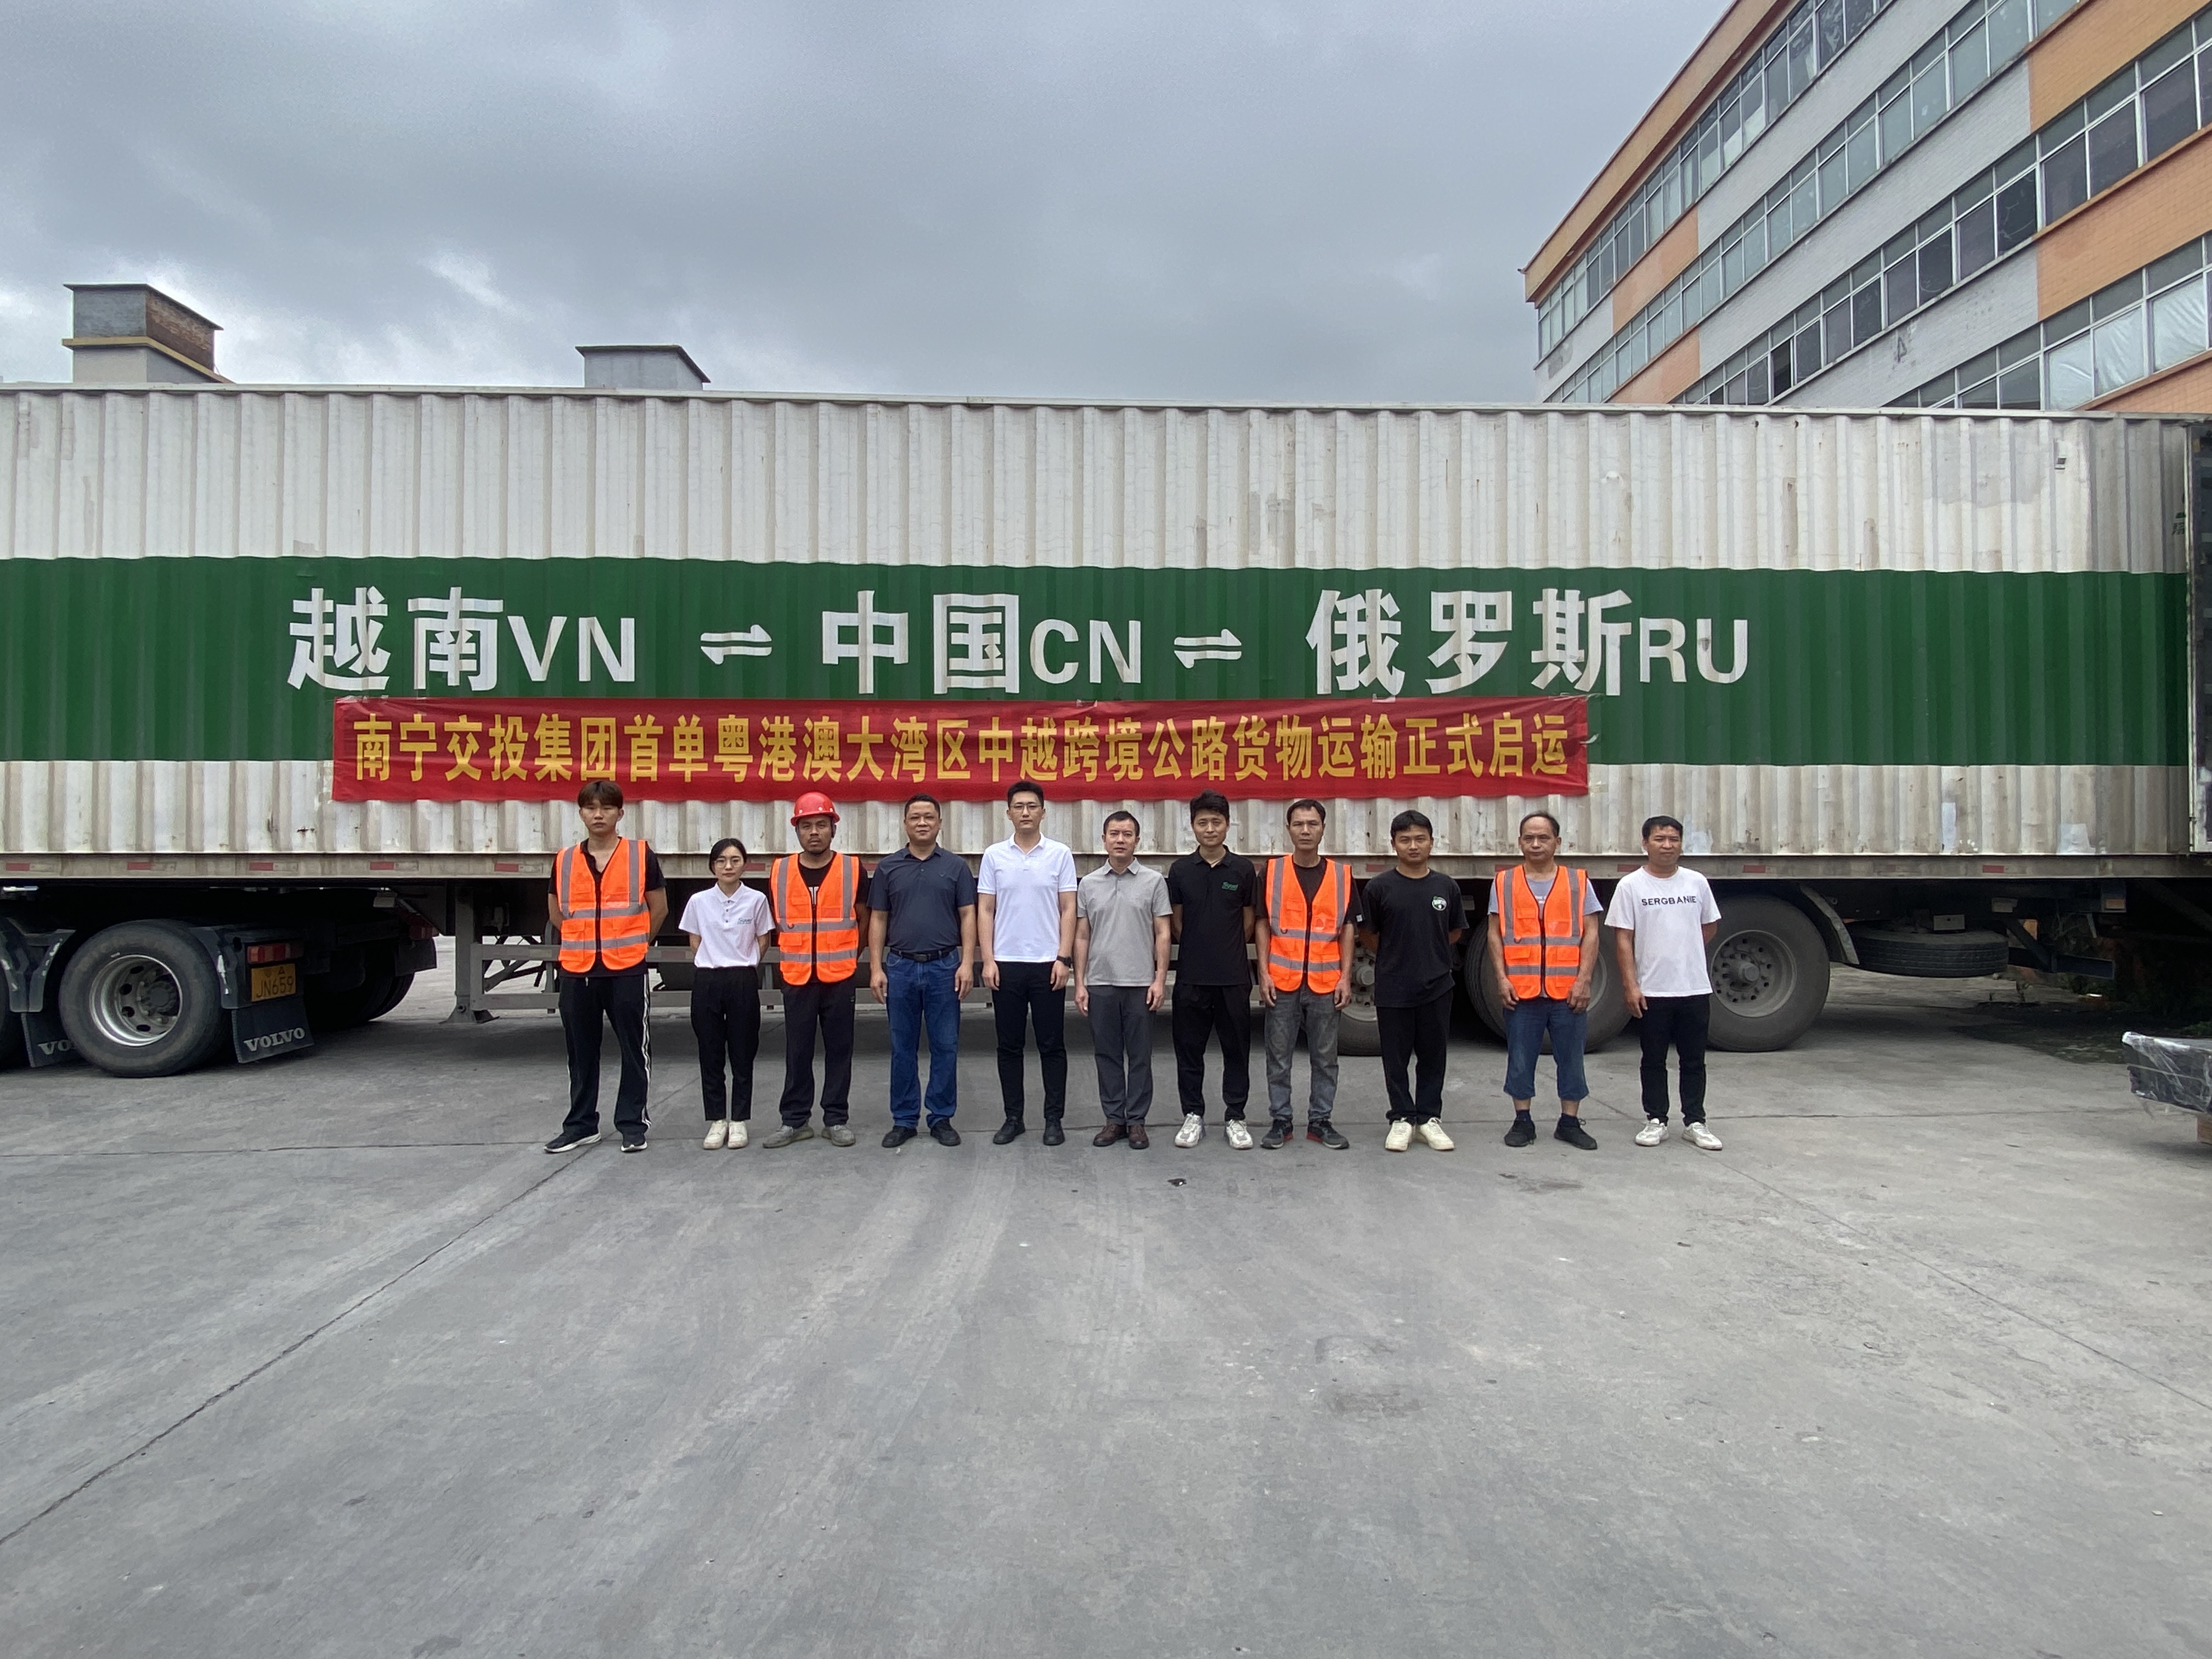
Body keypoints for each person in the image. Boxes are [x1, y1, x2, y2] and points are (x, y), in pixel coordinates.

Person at [543, 780, 668, 1154]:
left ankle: (632, 1123)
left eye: (607, 808)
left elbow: (659, 908)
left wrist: (636, 944)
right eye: (591, 808)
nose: (599, 815)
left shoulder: (640, 855)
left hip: (626, 969)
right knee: (580, 1052)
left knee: (634, 1050)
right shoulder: (565, 859)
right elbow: (556, 912)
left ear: (620, 813)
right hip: (578, 970)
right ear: (581, 813)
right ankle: (581, 1125)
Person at [1609, 815, 1725, 1151]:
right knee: (1653, 1059)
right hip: (1652, 990)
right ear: (1645, 844)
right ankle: (1656, 1119)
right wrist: (1631, 985)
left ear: (1681, 844)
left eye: (1673, 839)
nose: (1667, 846)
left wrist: (1683, 951)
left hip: (1694, 988)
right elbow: (1623, 939)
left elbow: (1709, 926)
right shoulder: (1631, 886)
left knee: (1694, 1060)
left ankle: (1695, 1121)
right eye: (1659, 839)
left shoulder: (1696, 882)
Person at [1356, 809, 1468, 1153]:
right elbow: (1369, 934)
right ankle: (1402, 1118)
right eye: (1405, 840)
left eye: (1420, 839)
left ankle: (1429, 1118)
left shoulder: (1446, 886)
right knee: (1396, 1058)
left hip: (1437, 985)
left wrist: (1429, 953)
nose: (1413, 846)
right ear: (1394, 845)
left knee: (1433, 1056)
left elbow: (1454, 931)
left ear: (1432, 843)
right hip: (1393, 986)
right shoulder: (1379, 888)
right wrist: (1396, 955)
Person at [1489, 811, 1602, 1151]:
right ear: (1520, 843)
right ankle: (1522, 1121)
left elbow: (1591, 933)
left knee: (1571, 1059)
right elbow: (1495, 934)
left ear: (1558, 842)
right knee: (1520, 1058)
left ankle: (1569, 1122)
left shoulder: (1577, 881)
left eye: (1543, 838)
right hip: (1522, 992)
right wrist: (1501, 979)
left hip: (1567, 992)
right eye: (1529, 838)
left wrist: (1584, 981)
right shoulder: (1504, 882)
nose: (1536, 844)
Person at [870, 793, 977, 1148]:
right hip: (900, 967)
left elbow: (968, 915)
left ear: (940, 823)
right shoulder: (888, 868)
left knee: (946, 1045)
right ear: (905, 823)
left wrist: (966, 963)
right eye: (915, 817)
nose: (922, 823)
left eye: (929, 817)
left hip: (944, 967)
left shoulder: (956, 867)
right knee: (902, 1047)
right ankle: (904, 1120)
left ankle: (941, 1117)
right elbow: (878, 919)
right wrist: (876, 968)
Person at [764, 792, 870, 1149]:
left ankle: (836, 1119)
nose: (814, 832)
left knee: (840, 1050)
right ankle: (795, 1121)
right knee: (797, 1051)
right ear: (796, 830)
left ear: (833, 829)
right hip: (797, 977)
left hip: (839, 976)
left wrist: (851, 954)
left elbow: (864, 917)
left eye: (821, 825)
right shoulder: (780, 871)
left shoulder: (852, 869)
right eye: (806, 825)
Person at [979, 780, 1079, 1147]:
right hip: (1006, 965)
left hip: (1047, 965)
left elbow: (1068, 909)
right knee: (1009, 1046)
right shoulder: (994, 856)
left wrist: (1063, 958)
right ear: (1008, 813)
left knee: (1052, 1045)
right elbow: (985, 910)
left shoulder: (1059, 854)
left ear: (1043, 812)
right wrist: (988, 960)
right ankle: (1014, 1118)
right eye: (1019, 807)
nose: (1025, 812)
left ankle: (1054, 1119)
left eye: (1032, 806)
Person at [1256, 798, 1353, 1150]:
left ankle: (1320, 1121)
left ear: (1323, 829)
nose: (1306, 831)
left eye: (1313, 824)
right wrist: (1263, 973)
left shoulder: (1341, 875)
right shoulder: (1272, 872)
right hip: (1281, 981)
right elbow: (1262, 923)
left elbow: (1347, 928)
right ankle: (1281, 1121)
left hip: (1326, 983)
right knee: (1278, 1056)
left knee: (1325, 1058)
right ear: (1288, 829)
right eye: (1299, 824)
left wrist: (1345, 977)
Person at [1166, 790, 1258, 1149]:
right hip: (1191, 977)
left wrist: (1224, 949)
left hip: (1233, 978)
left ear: (1227, 825)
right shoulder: (1180, 871)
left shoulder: (1243, 870)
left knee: (1236, 1051)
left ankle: (1236, 1116)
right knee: (1189, 1052)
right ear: (1192, 827)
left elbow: (1248, 923)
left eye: (1216, 822)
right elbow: (1177, 923)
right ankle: (1193, 1115)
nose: (1209, 829)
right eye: (1202, 822)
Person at [1074, 810, 1171, 1148]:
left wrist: (1159, 979)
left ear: (1137, 841)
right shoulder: (1089, 884)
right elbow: (1082, 936)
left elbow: (1163, 933)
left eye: (1127, 835)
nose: (1120, 840)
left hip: (1140, 983)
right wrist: (1080, 983)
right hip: (1101, 982)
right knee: (1107, 1054)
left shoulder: (1154, 882)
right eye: (1114, 834)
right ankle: (1114, 1119)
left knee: (1141, 1056)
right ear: (1104, 840)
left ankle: (1137, 1121)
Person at [681, 837, 774, 1149]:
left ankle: (739, 1120)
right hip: (708, 979)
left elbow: (763, 940)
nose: (728, 866)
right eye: (721, 861)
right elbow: (695, 940)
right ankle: (717, 1120)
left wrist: (744, 964)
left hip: (742, 979)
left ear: (744, 864)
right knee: (710, 1051)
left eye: (735, 860)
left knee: (743, 1051)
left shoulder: (756, 900)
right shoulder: (699, 901)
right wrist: (712, 961)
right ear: (713, 866)